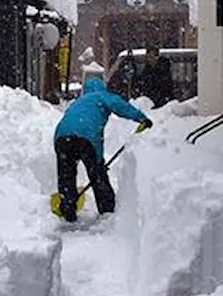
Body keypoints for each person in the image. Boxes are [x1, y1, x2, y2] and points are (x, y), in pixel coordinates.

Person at [53, 78, 152, 222]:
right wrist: (142, 118)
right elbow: (121, 106)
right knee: (97, 174)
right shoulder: (101, 96)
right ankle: (107, 211)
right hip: (85, 136)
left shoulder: (77, 102)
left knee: (66, 175)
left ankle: (68, 208)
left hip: (61, 137)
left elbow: (70, 122)